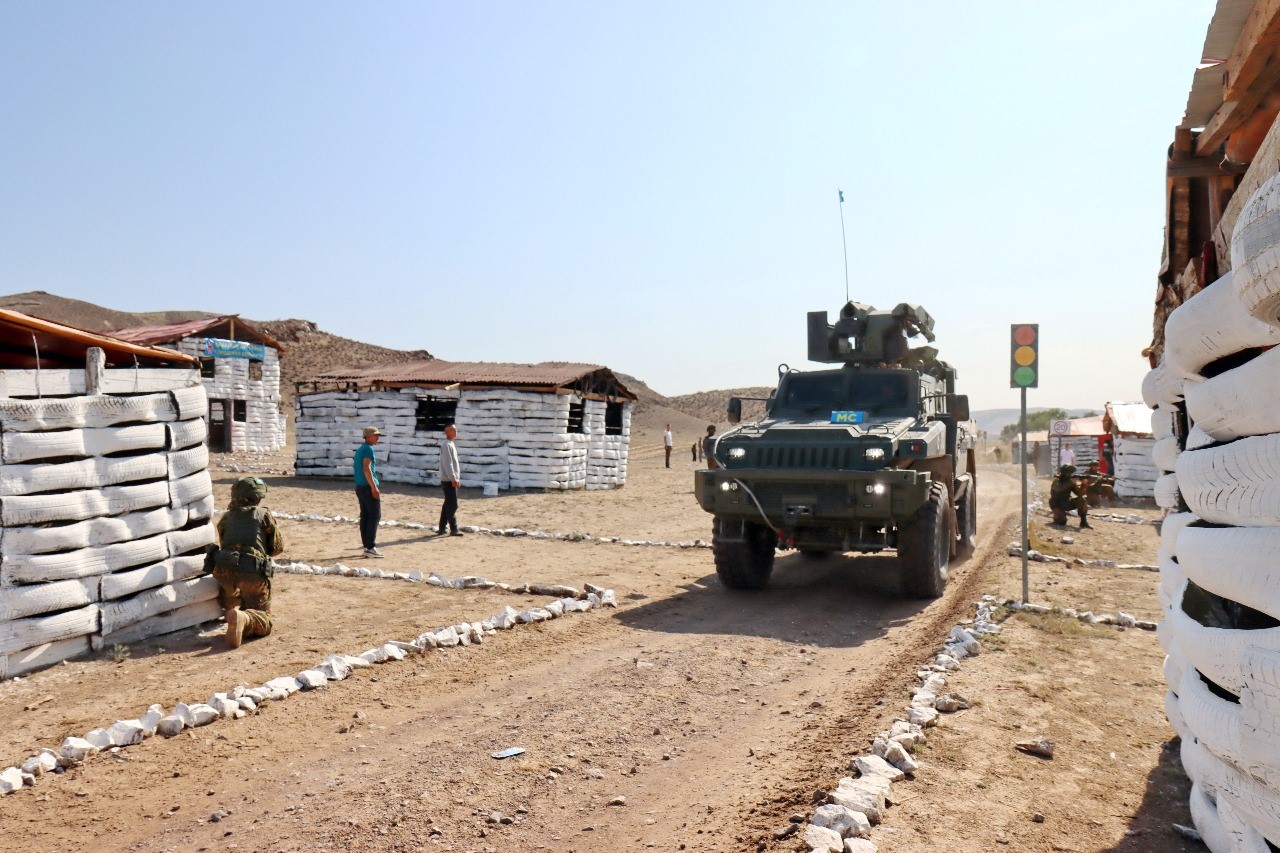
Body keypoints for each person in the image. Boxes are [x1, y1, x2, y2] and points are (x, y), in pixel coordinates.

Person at [210, 476, 284, 648]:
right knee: (264, 621)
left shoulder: (226, 518)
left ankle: (233, 612)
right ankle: (245, 618)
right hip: (251, 573)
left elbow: (224, 544)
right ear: (257, 497)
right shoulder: (263, 515)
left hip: (224, 573)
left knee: (235, 597)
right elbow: (277, 548)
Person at [354, 426, 383, 558]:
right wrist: (373, 487)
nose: (377, 438)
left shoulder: (360, 449)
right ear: (368, 436)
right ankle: (370, 547)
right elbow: (367, 468)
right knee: (374, 516)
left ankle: (367, 545)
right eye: (375, 435)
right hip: (367, 486)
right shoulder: (368, 449)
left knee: (365, 516)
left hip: (360, 486)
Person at [438, 423, 463, 536]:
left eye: (456, 429)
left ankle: (442, 528)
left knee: (448, 503)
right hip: (448, 480)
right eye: (453, 430)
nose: (456, 431)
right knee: (453, 505)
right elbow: (448, 464)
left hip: (450, 479)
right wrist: (453, 478)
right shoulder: (446, 445)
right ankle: (453, 528)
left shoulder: (450, 444)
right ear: (447, 432)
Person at [1049, 465, 1091, 529]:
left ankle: (1083, 522)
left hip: (1066, 502)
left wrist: (1083, 485)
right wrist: (1070, 483)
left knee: (1082, 500)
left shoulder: (1070, 481)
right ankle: (1057, 515)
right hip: (1056, 504)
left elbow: (1079, 494)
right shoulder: (1057, 481)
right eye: (1070, 473)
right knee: (1062, 522)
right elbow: (1058, 490)